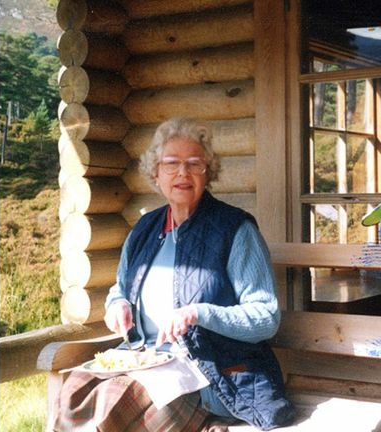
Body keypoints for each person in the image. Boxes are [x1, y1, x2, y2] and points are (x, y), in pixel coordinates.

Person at [54, 118, 294, 431]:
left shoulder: (235, 230)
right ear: (156, 172)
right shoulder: (144, 229)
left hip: (208, 368)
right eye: (171, 164)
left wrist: (198, 313)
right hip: (142, 357)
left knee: (115, 400)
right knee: (75, 388)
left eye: (195, 164)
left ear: (208, 172)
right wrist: (118, 304)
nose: (183, 173)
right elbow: (120, 288)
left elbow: (266, 317)